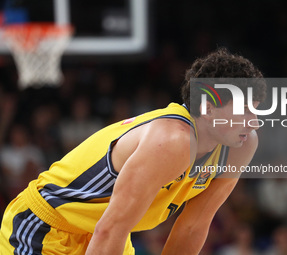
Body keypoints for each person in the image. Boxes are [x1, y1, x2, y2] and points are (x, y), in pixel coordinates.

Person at [0, 48, 266, 255]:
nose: (254, 121)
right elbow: (110, 229)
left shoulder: (242, 144)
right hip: (47, 226)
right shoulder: (172, 141)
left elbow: (192, 226)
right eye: (243, 110)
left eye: (255, 108)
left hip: (106, 231)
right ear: (208, 109)